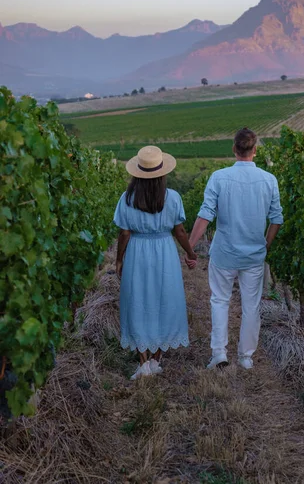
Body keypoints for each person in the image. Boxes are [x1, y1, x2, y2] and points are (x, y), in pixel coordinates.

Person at [187, 128, 283, 370]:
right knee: (251, 305)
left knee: (220, 301)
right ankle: (246, 357)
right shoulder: (269, 180)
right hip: (253, 255)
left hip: (224, 253)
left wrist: (189, 247)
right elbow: (277, 219)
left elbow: (205, 215)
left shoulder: (219, 177)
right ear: (255, 150)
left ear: (234, 149)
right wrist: (266, 244)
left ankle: (219, 353)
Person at [114, 145, 197, 380]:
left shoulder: (127, 198)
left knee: (138, 301)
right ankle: (156, 359)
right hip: (165, 253)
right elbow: (179, 231)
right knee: (166, 301)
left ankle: (143, 362)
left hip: (138, 252)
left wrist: (119, 260)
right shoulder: (172, 198)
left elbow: (125, 234)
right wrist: (190, 253)